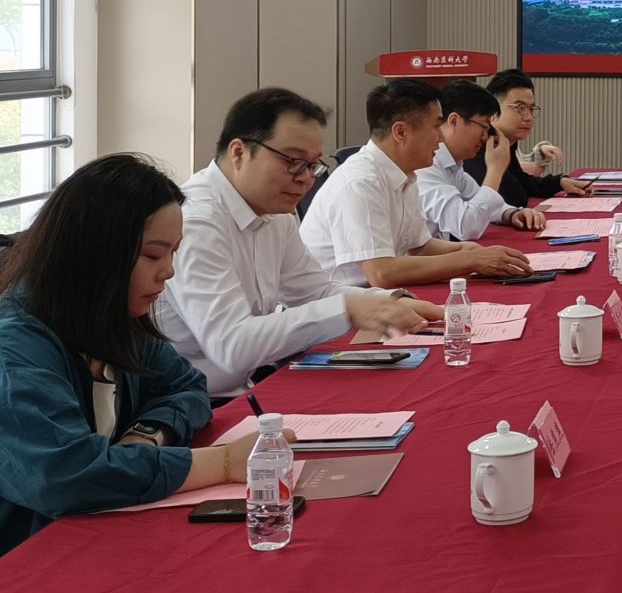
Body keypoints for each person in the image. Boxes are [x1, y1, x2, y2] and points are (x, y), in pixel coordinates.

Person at [0, 155, 292, 593]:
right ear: (94, 254)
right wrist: (222, 463)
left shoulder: (103, 321)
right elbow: (69, 478)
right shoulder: (4, 361)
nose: (168, 272)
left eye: (173, 253)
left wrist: (146, 435)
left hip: (41, 556)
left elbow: (186, 386)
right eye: (153, 255)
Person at [152, 88, 443, 398]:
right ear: (239, 153)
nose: (305, 179)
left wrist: (388, 301)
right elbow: (231, 345)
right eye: (293, 162)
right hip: (195, 402)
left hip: (250, 384)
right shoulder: (197, 222)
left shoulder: (275, 213)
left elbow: (315, 292)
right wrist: (348, 309)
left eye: (313, 165)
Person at [301, 78, 533, 288]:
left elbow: (420, 247)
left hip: (372, 299)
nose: (441, 137)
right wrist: (469, 260)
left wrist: (468, 250)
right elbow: (381, 274)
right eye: (436, 126)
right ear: (401, 132)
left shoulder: (406, 175)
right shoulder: (361, 182)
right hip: (335, 309)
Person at [422, 79, 548, 239]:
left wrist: (512, 214)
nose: (485, 137)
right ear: (454, 121)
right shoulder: (427, 165)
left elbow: (480, 201)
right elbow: (466, 226)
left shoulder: (453, 164)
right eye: (484, 127)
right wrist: (495, 170)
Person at [478, 69, 596, 203]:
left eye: (531, 109)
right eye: (521, 108)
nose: (528, 117)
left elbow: (522, 182)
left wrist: (560, 182)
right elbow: (515, 197)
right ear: (493, 109)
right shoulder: (479, 145)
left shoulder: (505, 141)